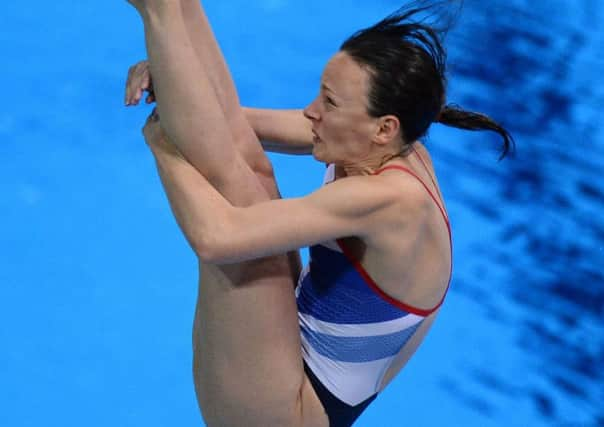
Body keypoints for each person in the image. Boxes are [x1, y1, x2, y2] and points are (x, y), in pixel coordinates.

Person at [124, 1, 514, 426]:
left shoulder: (392, 199)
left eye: (329, 102)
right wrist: (179, 86)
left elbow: (216, 238)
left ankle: (157, 11)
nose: (312, 111)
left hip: (289, 412)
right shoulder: (385, 145)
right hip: (291, 359)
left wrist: (165, 146)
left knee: (240, 203)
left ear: (384, 127)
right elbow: (233, 127)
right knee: (248, 167)